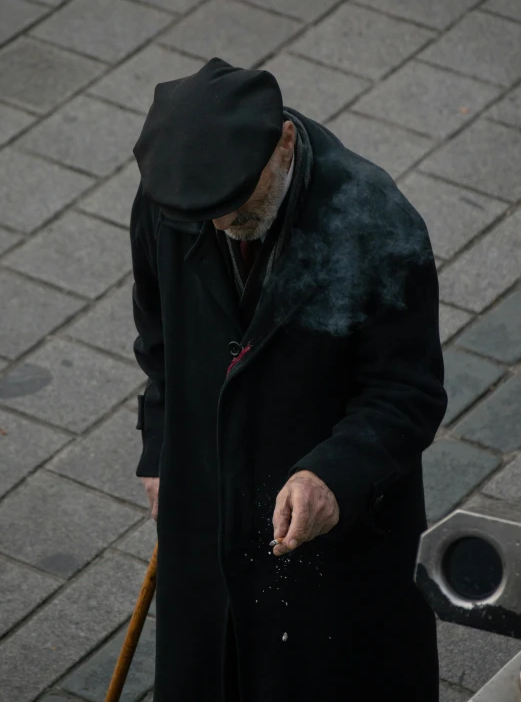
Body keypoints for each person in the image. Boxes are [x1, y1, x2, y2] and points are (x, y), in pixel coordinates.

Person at [130, 57, 447, 702]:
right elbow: (159, 338)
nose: (220, 225)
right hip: (208, 510)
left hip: (326, 537)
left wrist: (333, 474)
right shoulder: (176, 201)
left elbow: (407, 393)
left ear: (282, 143)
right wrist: (161, 443)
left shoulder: (375, 223)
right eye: (207, 214)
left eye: (235, 206)